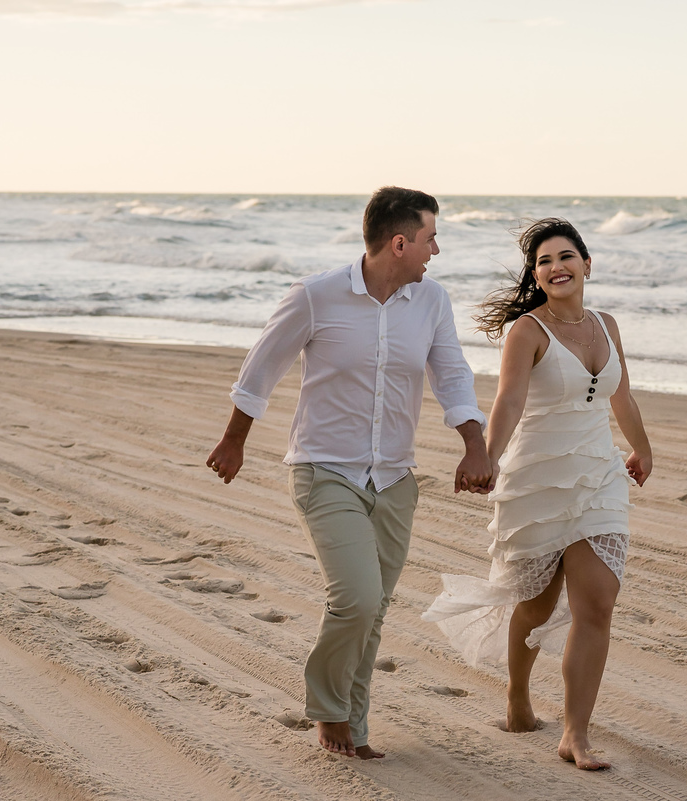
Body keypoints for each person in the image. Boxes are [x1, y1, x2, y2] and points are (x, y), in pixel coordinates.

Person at [207, 187, 492, 760]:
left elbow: (452, 374)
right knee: (357, 599)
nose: (437, 250)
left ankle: (354, 728)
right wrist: (234, 440)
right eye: (431, 238)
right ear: (400, 243)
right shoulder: (316, 295)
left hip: (394, 479)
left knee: (375, 609)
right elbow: (261, 367)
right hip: (325, 470)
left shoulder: (431, 300)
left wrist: (475, 445)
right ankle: (329, 708)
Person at [423, 217, 652, 770]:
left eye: (566, 256)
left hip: (597, 475)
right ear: (536, 275)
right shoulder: (527, 331)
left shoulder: (607, 324)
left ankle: (576, 733)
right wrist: (488, 456)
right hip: (537, 480)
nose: (556, 267)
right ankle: (518, 696)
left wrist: (642, 448)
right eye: (544, 261)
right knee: (536, 604)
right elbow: (509, 402)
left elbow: (620, 395)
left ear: (587, 264)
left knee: (597, 603)